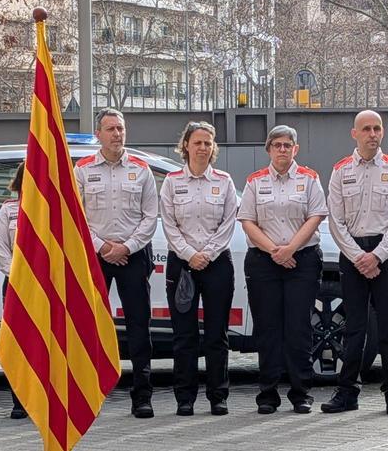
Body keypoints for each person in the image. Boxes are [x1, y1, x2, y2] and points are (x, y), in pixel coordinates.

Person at [322, 109, 388, 416]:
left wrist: (377, 255)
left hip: (385, 253)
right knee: (354, 327)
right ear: (354, 134)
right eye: (366, 129)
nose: (373, 134)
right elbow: (335, 221)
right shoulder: (340, 170)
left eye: (377, 128)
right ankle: (347, 392)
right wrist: (358, 256)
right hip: (353, 254)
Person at [237, 125, 328, 415]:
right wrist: (275, 252)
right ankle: (268, 394)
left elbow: (315, 216)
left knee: (299, 328)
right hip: (264, 262)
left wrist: (290, 250)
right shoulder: (255, 181)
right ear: (269, 149)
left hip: (302, 260)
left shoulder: (309, 178)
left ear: (295, 149)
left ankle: (301, 393)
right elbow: (247, 221)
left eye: (288, 145)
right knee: (268, 328)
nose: (282, 150)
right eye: (277, 145)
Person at [74, 108, 159, 418]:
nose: (117, 134)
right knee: (90, 325)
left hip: (133, 256)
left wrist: (126, 247)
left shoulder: (141, 169)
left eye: (120, 128)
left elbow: (151, 216)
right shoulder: (82, 169)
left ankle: (142, 396)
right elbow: (76, 216)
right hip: (94, 256)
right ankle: (88, 395)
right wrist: (103, 247)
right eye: (110, 129)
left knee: (139, 325)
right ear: (98, 134)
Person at [159, 122, 238, 417]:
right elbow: (169, 224)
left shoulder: (224, 181)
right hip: (182, 264)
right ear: (186, 146)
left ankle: (218, 397)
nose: (203, 148)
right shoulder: (172, 182)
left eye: (208, 143)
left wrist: (208, 254)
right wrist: (190, 255)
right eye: (197, 142)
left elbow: (228, 223)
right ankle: (185, 398)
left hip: (217, 264)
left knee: (217, 335)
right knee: (185, 335)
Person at [0, 162, 28, 420]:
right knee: (19, 342)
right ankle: (20, 400)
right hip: (16, 284)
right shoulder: (8, 210)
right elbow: (2, 250)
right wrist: (19, 277)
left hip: (49, 287)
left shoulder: (55, 211)